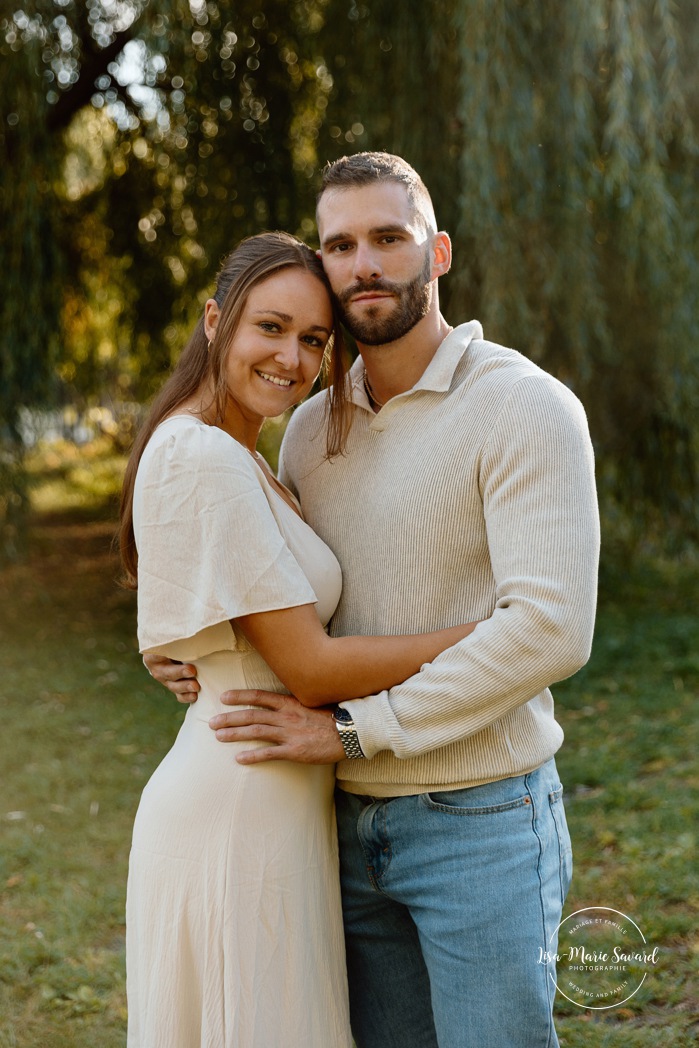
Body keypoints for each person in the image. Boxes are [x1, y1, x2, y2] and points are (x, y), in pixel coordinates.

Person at [146, 154, 600, 1048]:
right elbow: (276, 588)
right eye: (340, 244)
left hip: (479, 819)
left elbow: (550, 633)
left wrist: (352, 729)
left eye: (387, 238)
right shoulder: (310, 428)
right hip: (340, 829)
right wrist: (197, 647)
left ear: (435, 253)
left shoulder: (524, 407)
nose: (362, 264)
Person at [119, 229, 485, 1048]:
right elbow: (311, 671)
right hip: (238, 808)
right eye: (270, 328)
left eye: (315, 339)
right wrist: (484, 633)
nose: (292, 357)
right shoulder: (205, 455)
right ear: (216, 323)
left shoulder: (241, 453)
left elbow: (220, 600)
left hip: (275, 800)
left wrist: (185, 655)